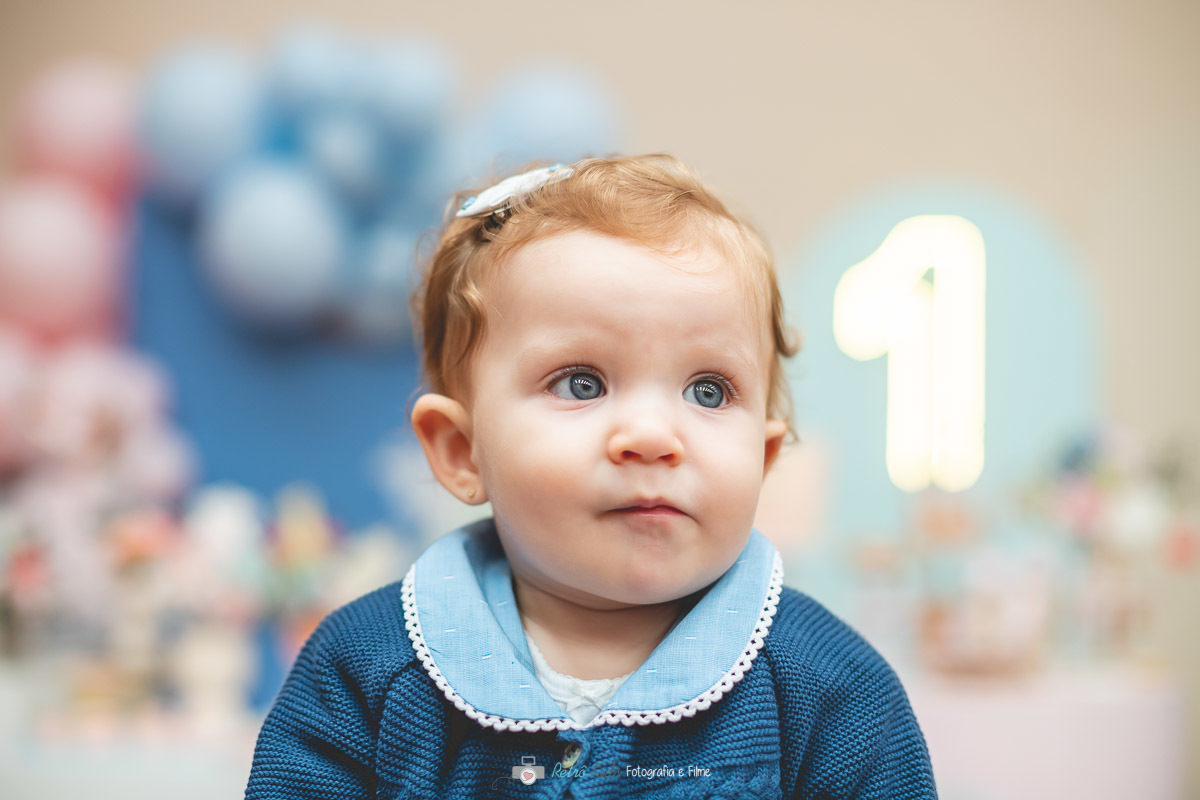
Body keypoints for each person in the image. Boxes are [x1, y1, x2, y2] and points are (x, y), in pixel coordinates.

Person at [246, 155, 937, 799]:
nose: (651, 437)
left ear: (761, 459)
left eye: (707, 391)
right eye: (581, 383)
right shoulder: (364, 675)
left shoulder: (832, 692)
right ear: (461, 450)